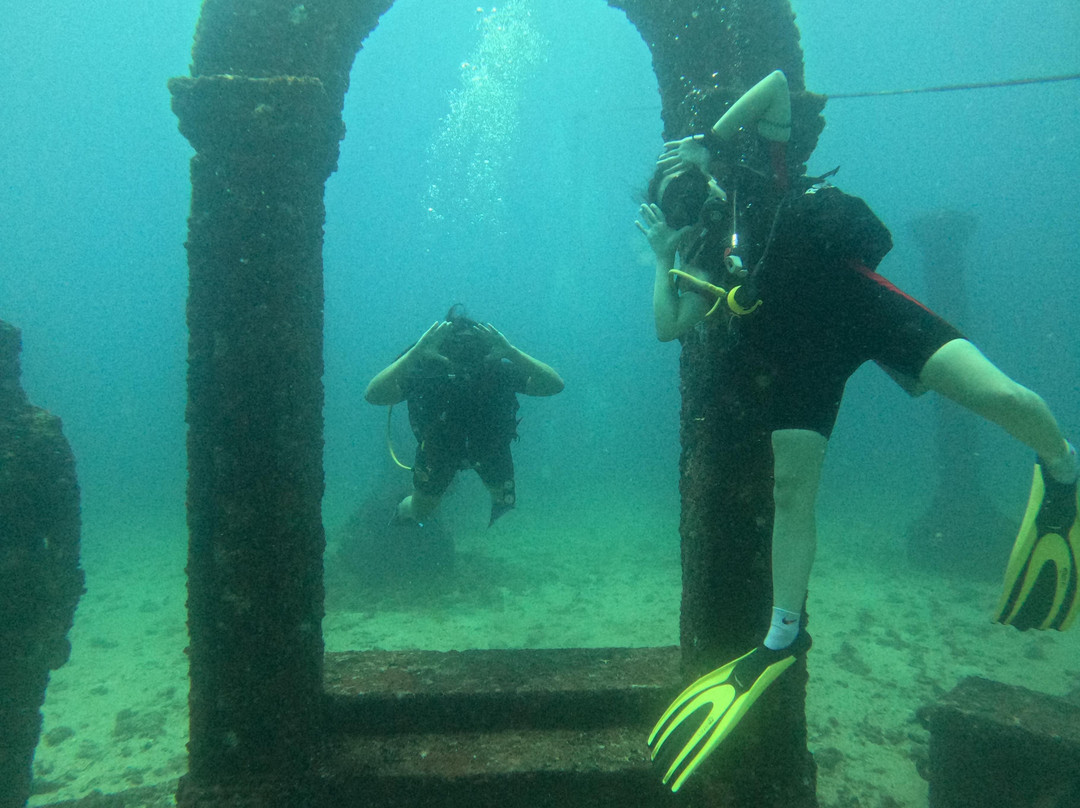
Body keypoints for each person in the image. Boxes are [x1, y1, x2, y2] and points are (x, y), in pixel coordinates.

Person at [636, 69, 1078, 792]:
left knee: (1000, 395)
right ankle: (780, 638)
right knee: (791, 494)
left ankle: (1060, 466)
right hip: (797, 362)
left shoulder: (760, 179)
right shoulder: (699, 260)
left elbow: (776, 85)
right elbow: (666, 327)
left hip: (864, 309)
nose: (687, 197)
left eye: (684, 183)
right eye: (671, 199)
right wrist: (663, 259)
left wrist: (708, 145)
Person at [365, 305, 564, 527]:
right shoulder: (427, 373)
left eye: (472, 345)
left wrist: (510, 352)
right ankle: (403, 511)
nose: (464, 352)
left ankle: (494, 504)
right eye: (455, 345)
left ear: (484, 347)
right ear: (442, 346)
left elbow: (554, 385)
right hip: (437, 451)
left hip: (490, 447)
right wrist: (417, 353)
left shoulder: (497, 372)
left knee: (504, 499)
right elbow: (374, 394)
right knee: (421, 512)